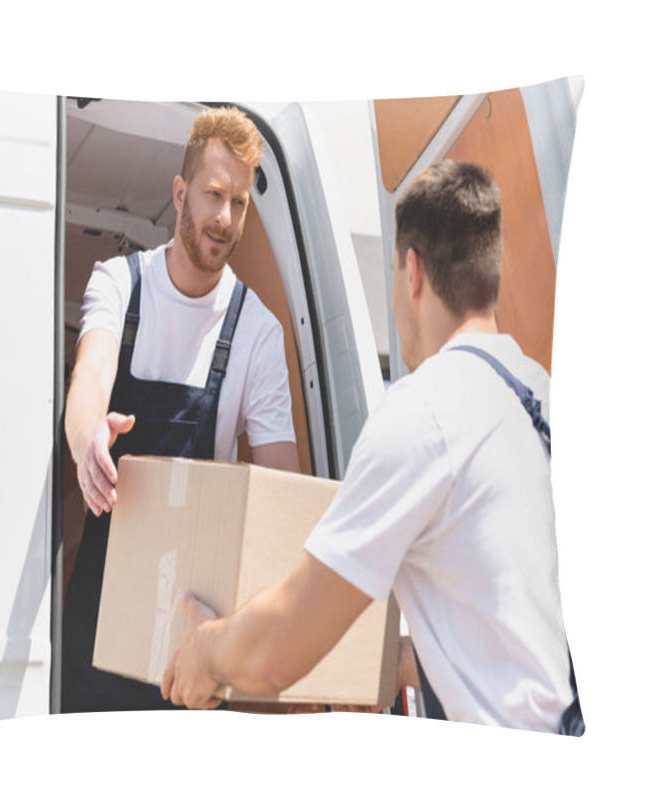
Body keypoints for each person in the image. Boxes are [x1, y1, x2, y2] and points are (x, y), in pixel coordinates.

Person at [161, 160, 577, 732]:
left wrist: (205, 652)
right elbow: (511, 631)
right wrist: (389, 666)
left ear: (412, 273)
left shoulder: (425, 412)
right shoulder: (544, 396)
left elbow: (279, 647)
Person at [62, 106, 299, 714]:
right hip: (99, 614)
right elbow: (91, 374)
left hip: (192, 635)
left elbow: (282, 491)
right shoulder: (120, 282)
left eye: (240, 202)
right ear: (179, 193)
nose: (225, 218)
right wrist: (89, 434)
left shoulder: (258, 332)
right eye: (213, 194)